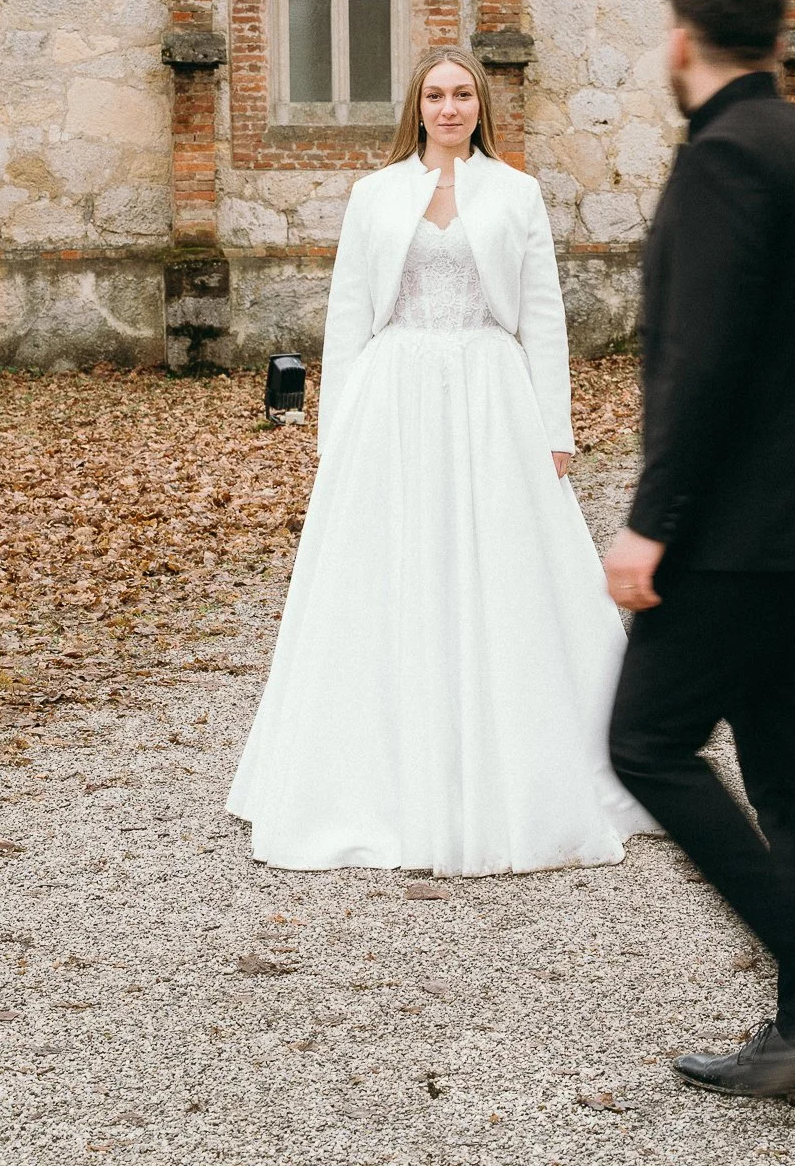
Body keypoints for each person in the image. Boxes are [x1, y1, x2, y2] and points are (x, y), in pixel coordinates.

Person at [228, 46, 655, 875]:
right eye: (435, 94)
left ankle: (528, 764)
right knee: (387, 571)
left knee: (503, 566)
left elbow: (542, 317)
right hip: (394, 396)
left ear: (480, 105)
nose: (450, 107)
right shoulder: (375, 196)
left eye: (462, 94)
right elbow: (349, 315)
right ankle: (370, 777)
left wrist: (555, 427)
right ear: (417, 107)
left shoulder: (517, 193)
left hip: (491, 392)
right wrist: (336, 429)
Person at [603, 0, 795, 1104]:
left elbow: (702, 362)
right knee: (794, 769)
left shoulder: (723, 158)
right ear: (773, 37)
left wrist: (649, 522)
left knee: (647, 742)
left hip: (735, 527)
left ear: (684, 39)